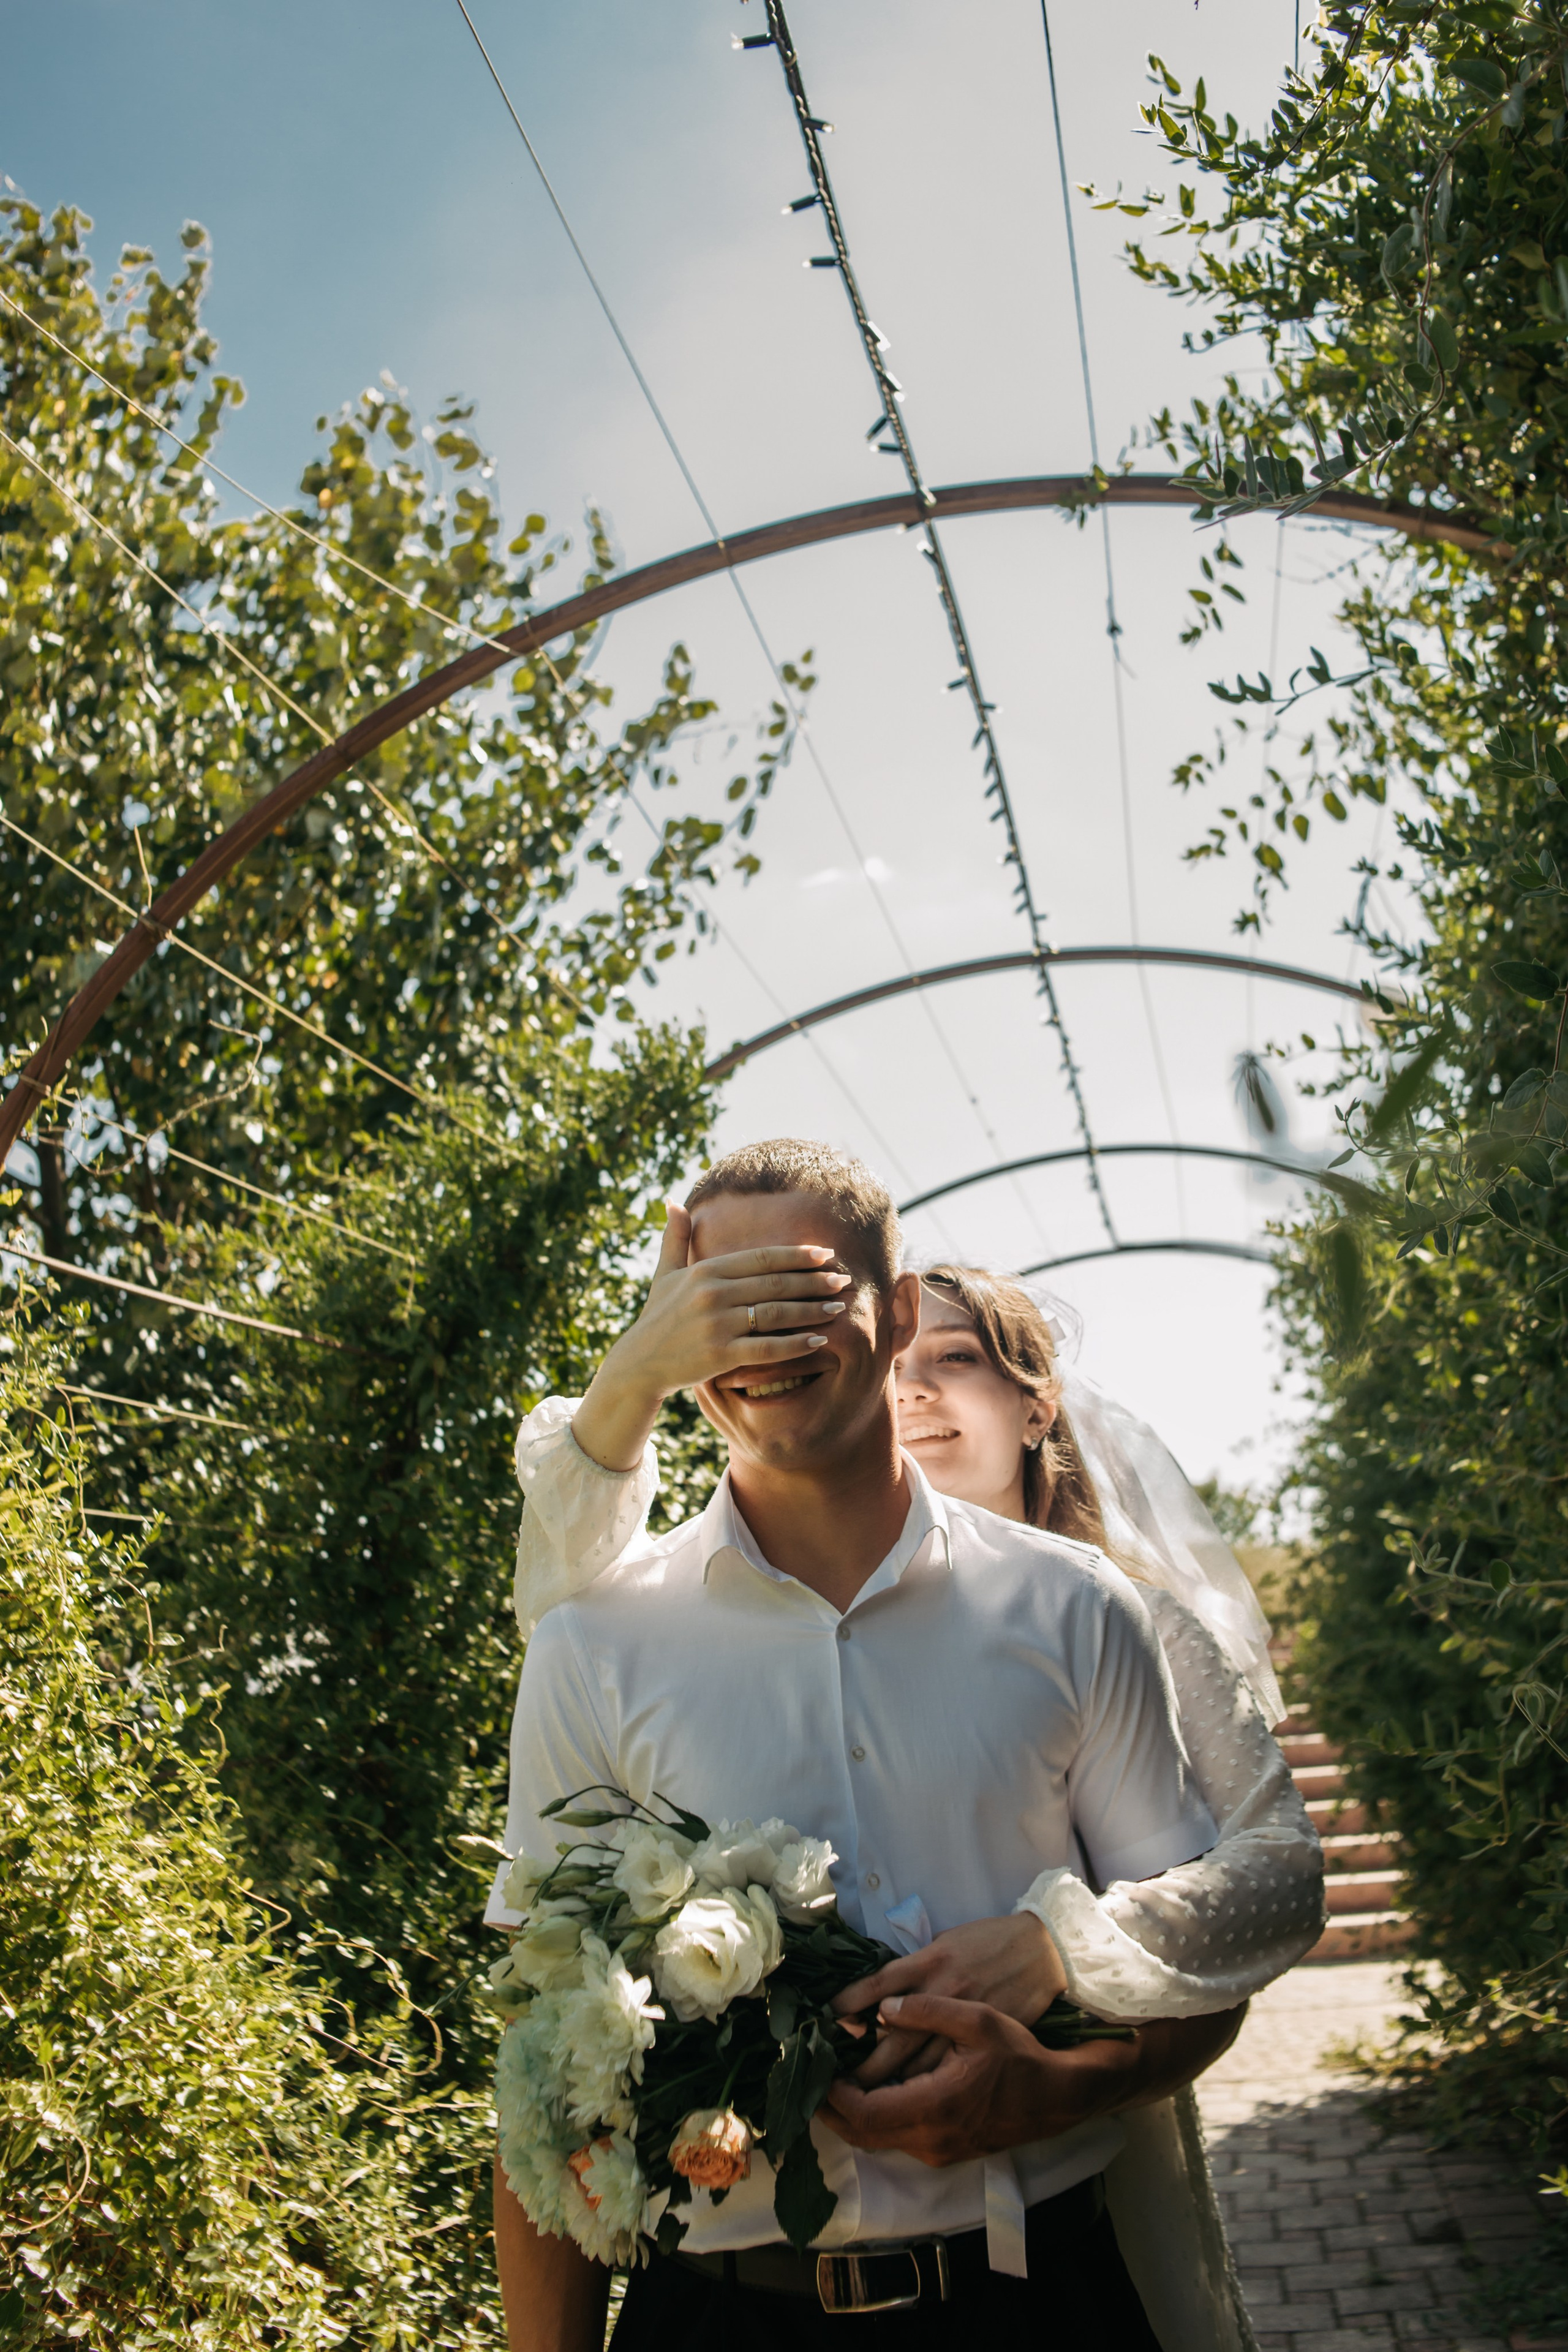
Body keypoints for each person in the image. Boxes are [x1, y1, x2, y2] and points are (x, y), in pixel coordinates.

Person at [489, 1139, 1309, 2350]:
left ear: (898, 1306)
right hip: (713, 2323)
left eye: (803, 1296)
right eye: (720, 1309)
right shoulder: (593, 1648)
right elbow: (537, 2086)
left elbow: (1199, 1966)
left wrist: (1069, 2084)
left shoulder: (1076, 1610)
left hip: (1043, 2306)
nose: (760, 1343)